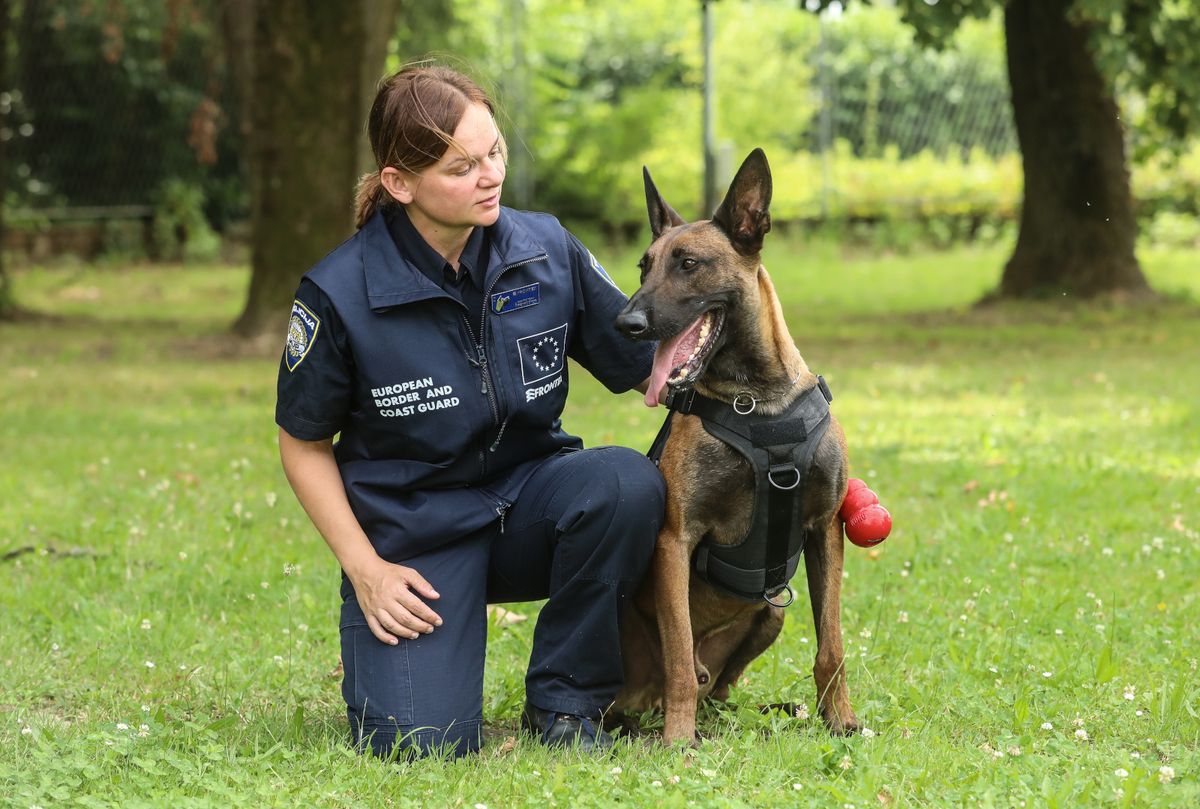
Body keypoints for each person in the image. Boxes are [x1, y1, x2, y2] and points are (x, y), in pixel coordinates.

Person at [275, 65, 665, 760]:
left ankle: (566, 702)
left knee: (624, 482)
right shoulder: (339, 291)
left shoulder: (545, 249)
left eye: (495, 152)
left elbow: (656, 369)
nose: (490, 176)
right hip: (415, 537)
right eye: (462, 166)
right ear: (400, 182)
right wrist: (367, 568)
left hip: (533, 504)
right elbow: (302, 442)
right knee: (419, 745)